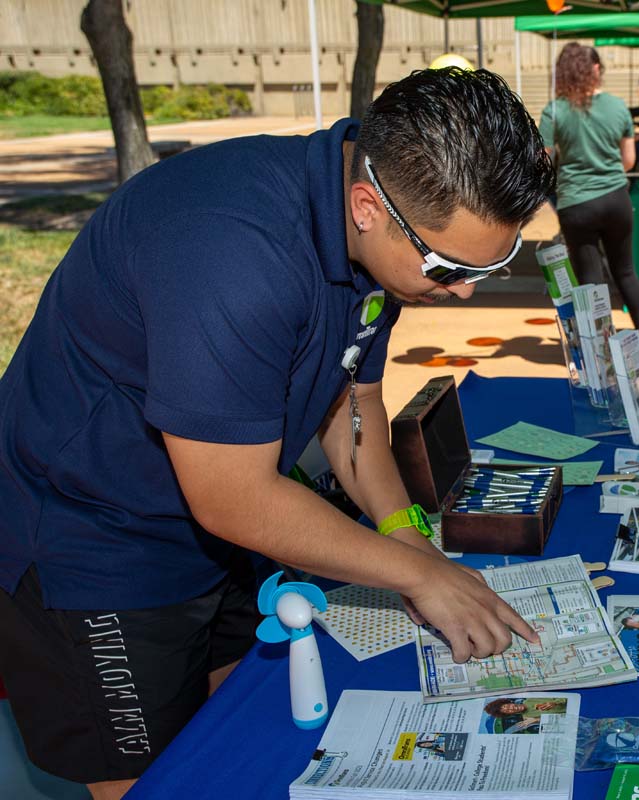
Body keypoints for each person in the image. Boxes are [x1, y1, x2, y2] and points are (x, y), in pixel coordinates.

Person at [0, 67, 551, 798]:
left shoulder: (374, 218)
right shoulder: (232, 251)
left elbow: (353, 406)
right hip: (93, 544)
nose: (466, 290)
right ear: (367, 207)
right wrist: (419, 575)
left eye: (494, 264)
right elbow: (233, 498)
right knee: (157, 785)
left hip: (216, 527)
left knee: (242, 741)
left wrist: (406, 534)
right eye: (449, 267)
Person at [541, 43, 639, 358]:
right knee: (625, 270)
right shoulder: (617, 107)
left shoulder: (554, 111)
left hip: (576, 204)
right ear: (596, 69)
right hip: (616, 199)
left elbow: (542, 161)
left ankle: (602, 348)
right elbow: (628, 161)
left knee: (591, 280)